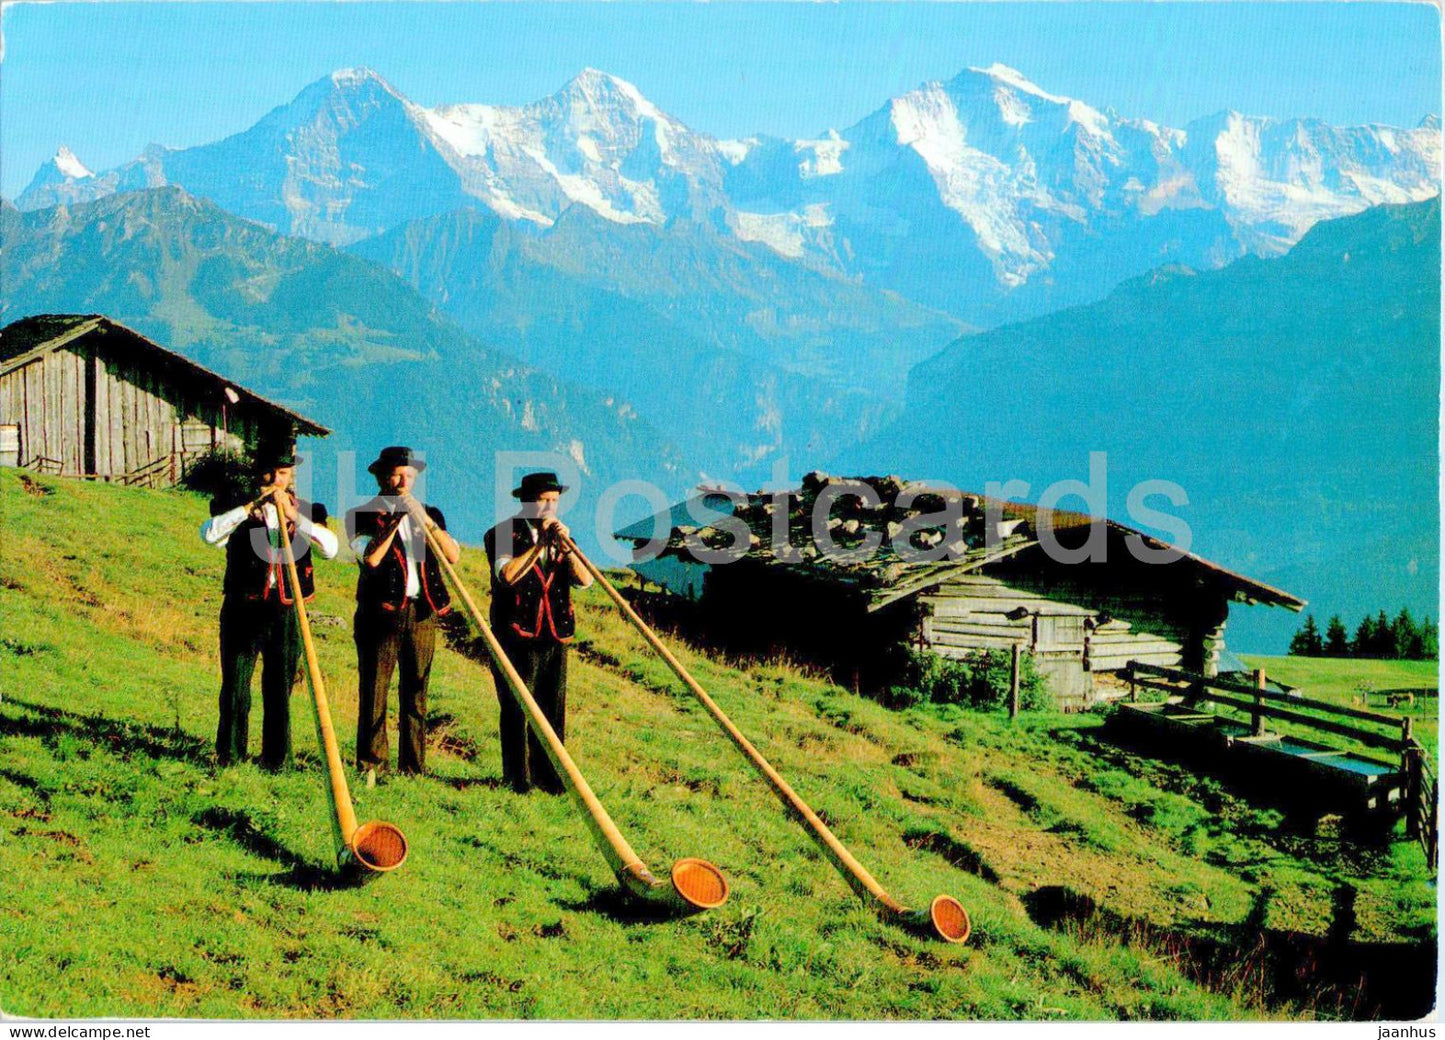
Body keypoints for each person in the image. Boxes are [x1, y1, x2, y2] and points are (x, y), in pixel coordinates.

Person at [199, 443, 338, 770]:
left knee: (279, 688)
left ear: (291, 476)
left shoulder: (308, 510)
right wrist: (248, 509)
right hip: (242, 607)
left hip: (287, 611)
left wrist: (294, 518)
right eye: (268, 474)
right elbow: (209, 536)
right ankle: (230, 755)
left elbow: (330, 549)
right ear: (257, 474)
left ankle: (277, 760)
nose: (275, 480)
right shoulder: (235, 506)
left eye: (282, 474)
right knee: (235, 686)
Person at [346, 446, 460, 779]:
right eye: (396, 474)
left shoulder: (431, 514)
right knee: (375, 689)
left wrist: (424, 520)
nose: (403, 481)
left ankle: (413, 767)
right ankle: (372, 766)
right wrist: (395, 521)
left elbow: (452, 555)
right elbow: (370, 558)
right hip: (379, 614)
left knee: (416, 691)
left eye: (409, 475)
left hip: (423, 611)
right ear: (381, 477)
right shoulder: (362, 514)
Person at [483, 471, 592, 793]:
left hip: (554, 634)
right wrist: (540, 545)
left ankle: (551, 779)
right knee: (517, 709)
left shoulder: (564, 538)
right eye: (543, 501)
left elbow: (585, 581)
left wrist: (567, 549)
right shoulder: (502, 533)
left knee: (552, 708)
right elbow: (507, 575)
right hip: (515, 634)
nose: (549, 508)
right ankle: (518, 780)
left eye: (554, 501)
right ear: (526, 502)